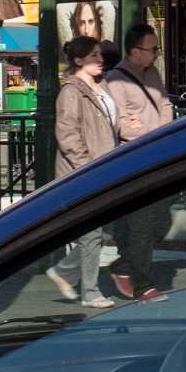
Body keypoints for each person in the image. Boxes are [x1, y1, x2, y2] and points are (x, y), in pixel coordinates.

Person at [46, 37, 119, 309]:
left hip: (105, 166)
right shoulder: (71, 92)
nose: (100, 60)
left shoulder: (101, 85)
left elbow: (111, 123)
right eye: (93, 55)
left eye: (100, 54)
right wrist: (87, 167)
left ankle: (65, 272)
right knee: (91, 232)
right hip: (86, 171)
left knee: (103, 229)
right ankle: (90, 292)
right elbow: (66, 134)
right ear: (78, 60)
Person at [105, 23, 174, 302]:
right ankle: (143, 285)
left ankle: (122, 266)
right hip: (134, 161)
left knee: (161, 222)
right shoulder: (116, 81)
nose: (157, 53)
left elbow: (166, 104)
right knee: (143, 224)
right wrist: (153, 129)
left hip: (160, 154)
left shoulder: (154, 73)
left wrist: (157, 127)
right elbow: (122, 125)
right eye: (153, 49)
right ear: (135, 51)